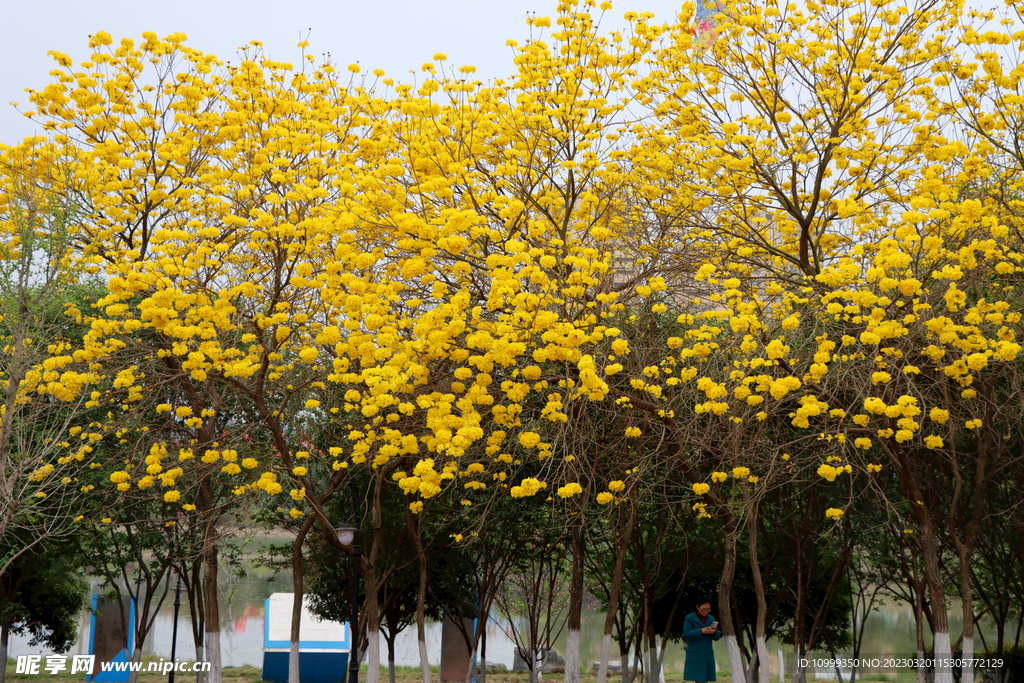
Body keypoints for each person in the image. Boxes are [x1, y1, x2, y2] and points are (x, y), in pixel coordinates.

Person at [683, 596, 723, 683]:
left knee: (705, 680)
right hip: (695, 655)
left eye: (708, 609)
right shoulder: (690, 618)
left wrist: (714, 632)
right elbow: (686, 634)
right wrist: (701, 631)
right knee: (699, 680)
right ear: (697, 607)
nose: (705, 612)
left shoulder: (711, 618)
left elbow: (717, 637)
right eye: (703, 609)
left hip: (707, 655)